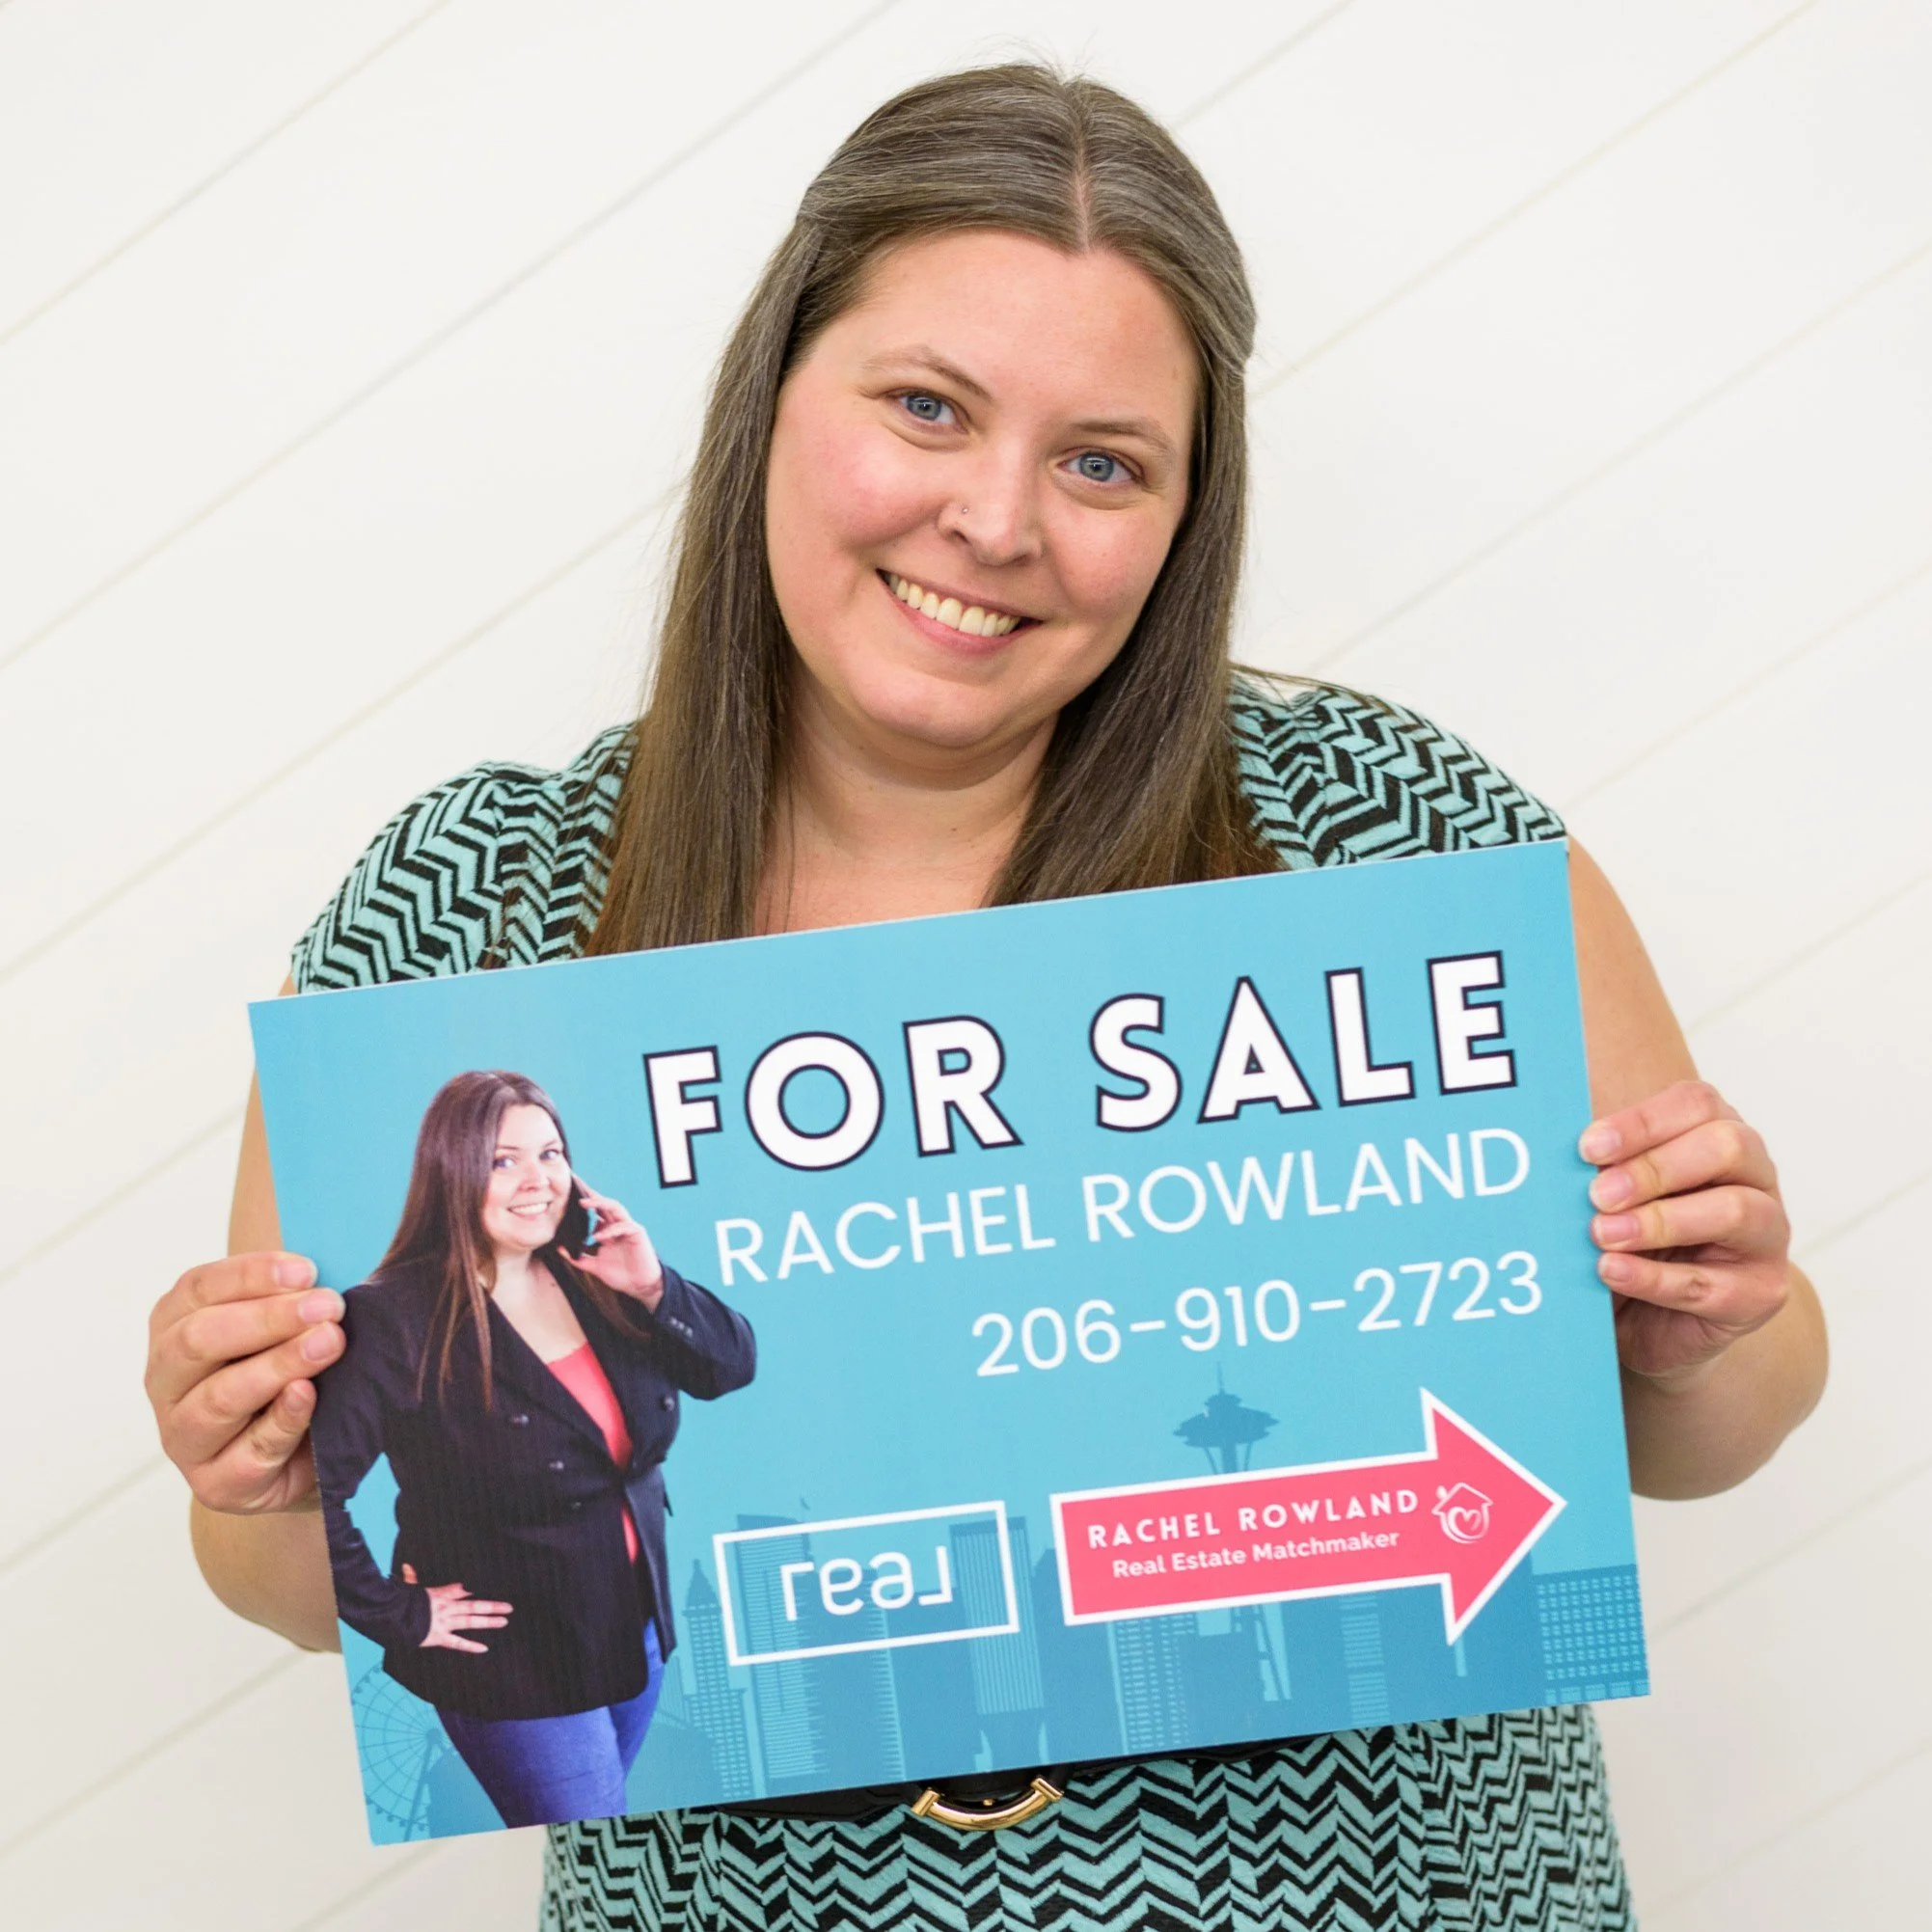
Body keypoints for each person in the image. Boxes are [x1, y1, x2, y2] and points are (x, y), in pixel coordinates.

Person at [144, 61, 1826, 1931]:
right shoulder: (464, 918)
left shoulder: (1393, 838)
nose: (995, 518)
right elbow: (282, 1565)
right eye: (924, 407)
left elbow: (1722, 1407)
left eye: (1101, 460)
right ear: (775, 394)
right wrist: (261, 1466)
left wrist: (1697, 1323)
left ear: (1185, 512)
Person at [310, 1069, 755, 1829]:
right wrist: (399, 1612)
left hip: (632, 1628)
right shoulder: (393, 1318)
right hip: (518, 1663)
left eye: (550, 1154)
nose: (536, 1180)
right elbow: (315, 1488)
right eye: (502, 1159)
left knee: (616, 1823)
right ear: (451, 1170)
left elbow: (728, 1368)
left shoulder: (595, 1275)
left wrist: (650, 1284)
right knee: (600, 1840)